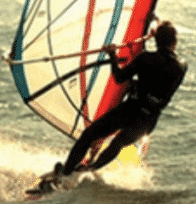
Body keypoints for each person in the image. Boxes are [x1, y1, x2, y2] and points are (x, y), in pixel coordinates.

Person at [53, 21, 187, 179]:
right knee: (118, 143)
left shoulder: (144, 59)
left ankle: (66, 172)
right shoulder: (181, 66)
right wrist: (156, 23)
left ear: (155, 40)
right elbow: (160, 73)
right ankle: (88, 170)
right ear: (175, 42)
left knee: (89, 134)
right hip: (148, 118)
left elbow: (119, 77)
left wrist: (112, 55)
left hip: (129, 109)